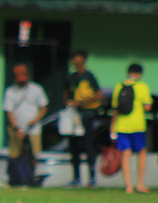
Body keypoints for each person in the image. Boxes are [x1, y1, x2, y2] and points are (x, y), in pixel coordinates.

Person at [110, 63, 153, 194]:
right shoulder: (142, 86)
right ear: (139, 74)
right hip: (137, 125)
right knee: (141, 152)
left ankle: (128, 186)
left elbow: (115, 108)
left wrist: (113, 126)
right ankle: (140, 183)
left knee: (125, 154)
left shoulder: (119, 86)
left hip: (122, 125)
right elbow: (147, 107)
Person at [63, 49, 102, 187]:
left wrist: (81, 103)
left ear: (83, 59)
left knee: (88, 145)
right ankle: (76, 178)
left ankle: (92, 177)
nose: (74, 61)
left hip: (87, 116)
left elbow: (99, 94)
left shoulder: (89, 76)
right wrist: (68, 103)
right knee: (74, 147)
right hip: (74, 116)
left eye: (77, 58)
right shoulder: (70, 77)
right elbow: (66, 92)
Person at [2, 63, 49, 167]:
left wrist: (36, 120)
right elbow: (9, 111)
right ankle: (17, 177)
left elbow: (44, 107)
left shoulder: (36, 89)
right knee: (15, 154)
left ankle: (32, 176)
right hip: (17, 129)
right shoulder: (10, 92)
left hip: (34, 129)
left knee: (34, 154)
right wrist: (16, 127)